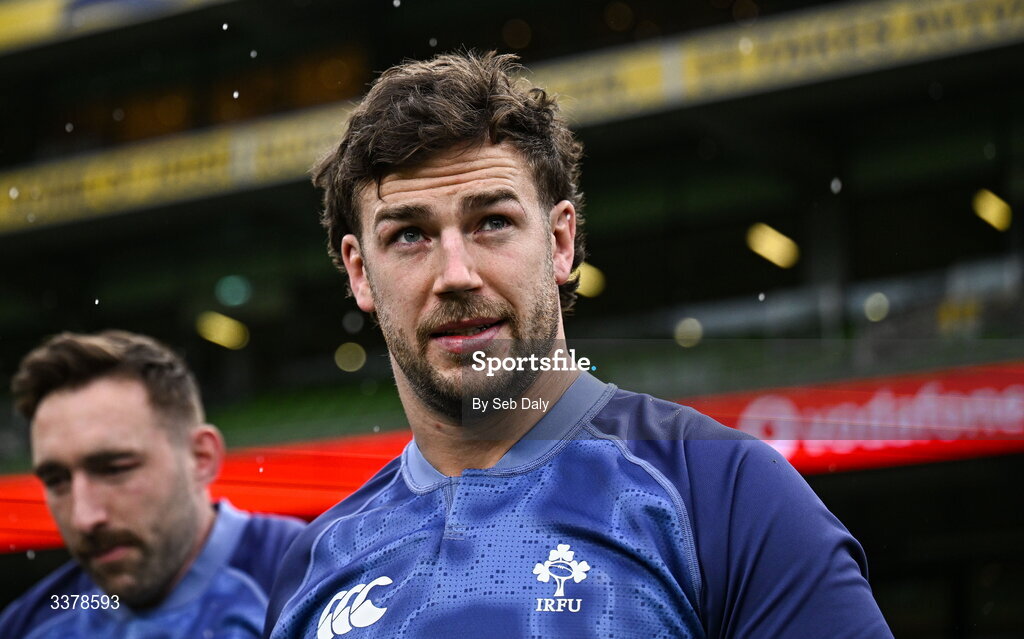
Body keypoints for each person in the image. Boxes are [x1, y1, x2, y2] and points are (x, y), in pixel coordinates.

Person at [265, 51, 893, 638]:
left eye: (492, 222)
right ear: (358, 272)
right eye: (409, 235)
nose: (455, 273)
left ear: (561, 242)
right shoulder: (313, 568)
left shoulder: (724, 493)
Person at [1, 330, 304, 639]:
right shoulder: (29, 626)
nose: (85, 518)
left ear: (201, 458)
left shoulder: (320, 577)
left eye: (115, 469)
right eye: (56, 481)